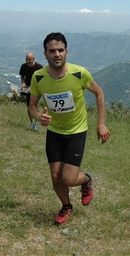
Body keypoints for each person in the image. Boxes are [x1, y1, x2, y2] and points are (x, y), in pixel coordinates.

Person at [28, 32, 111, 226]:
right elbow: (32, 106)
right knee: (56, 177)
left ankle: (86, 180)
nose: (57, 54)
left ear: (66, 52)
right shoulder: (38, 78)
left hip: (76, 132)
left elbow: (99, 93)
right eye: (52, 51)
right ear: (45, 54)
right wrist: (40, 116)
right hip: (54, 133)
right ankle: (66, 206)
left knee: (68, 177)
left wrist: (100, 123)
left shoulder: (79, 73)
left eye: (60, 50)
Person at [19, 52, 43, 131]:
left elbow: (41, 79)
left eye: (29, 59)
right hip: (27, 88)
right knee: (29, 106)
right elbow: (22, 76)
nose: (28, 61)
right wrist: (23, 83)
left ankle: (35, 123)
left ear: (33, 59)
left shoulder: (39, 67)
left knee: (33, 105)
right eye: (26, 59)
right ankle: (33, 122)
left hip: (36, 89)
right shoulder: (23, 66)